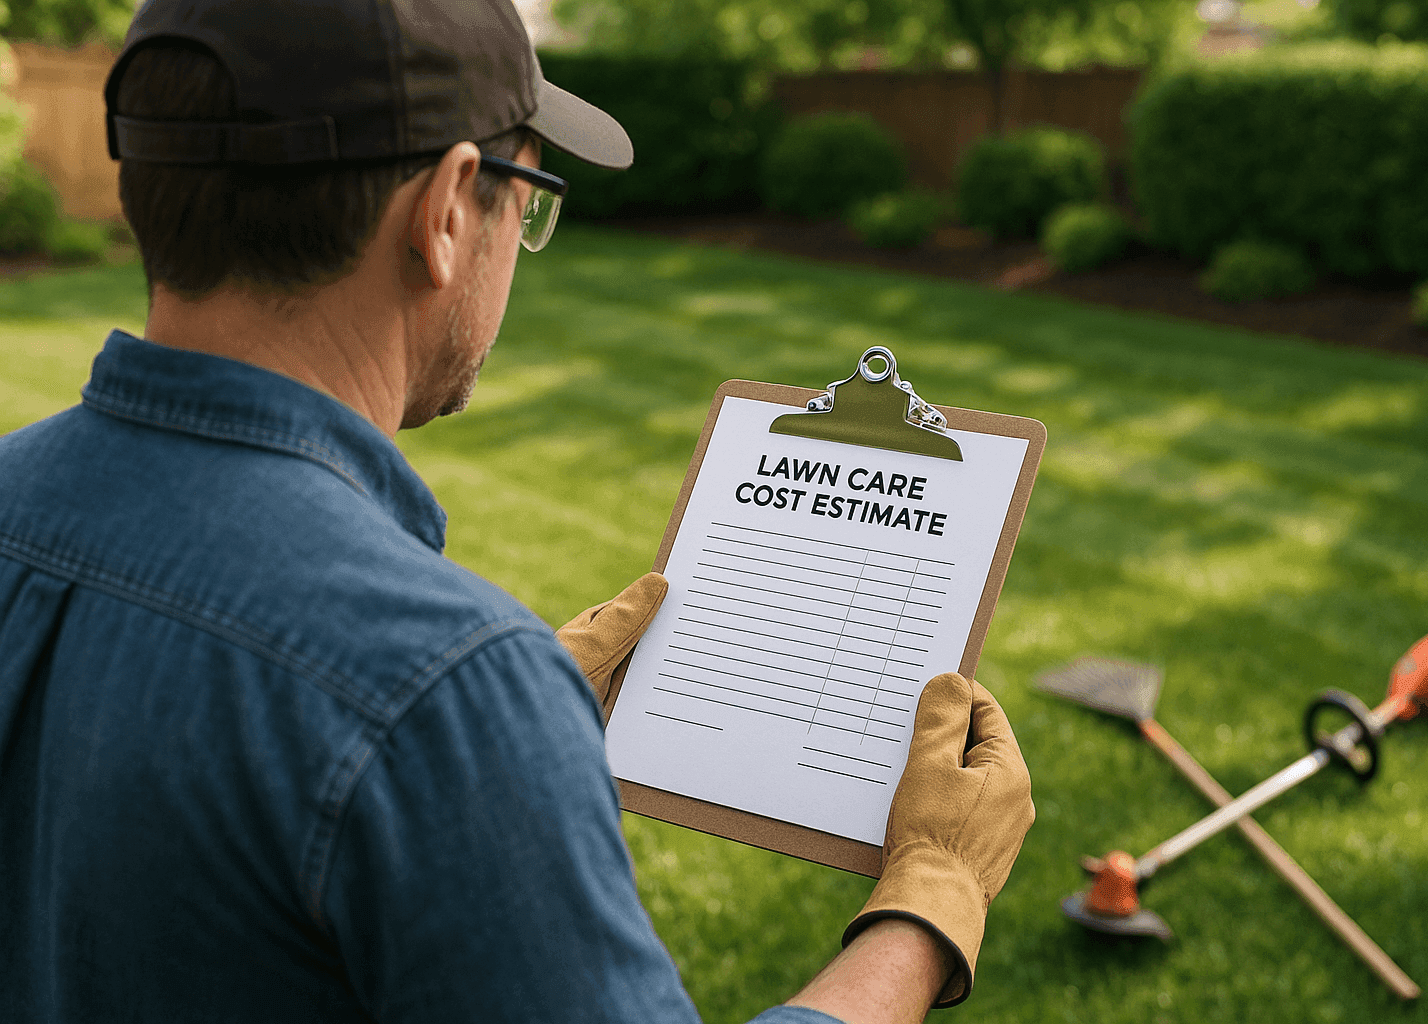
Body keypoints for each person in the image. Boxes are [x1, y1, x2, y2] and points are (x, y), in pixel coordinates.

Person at [0, 1, 1035, 1021]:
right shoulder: (439, 690)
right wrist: (931, 895)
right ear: (449, 212)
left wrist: (466, 746)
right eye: (528, 195)